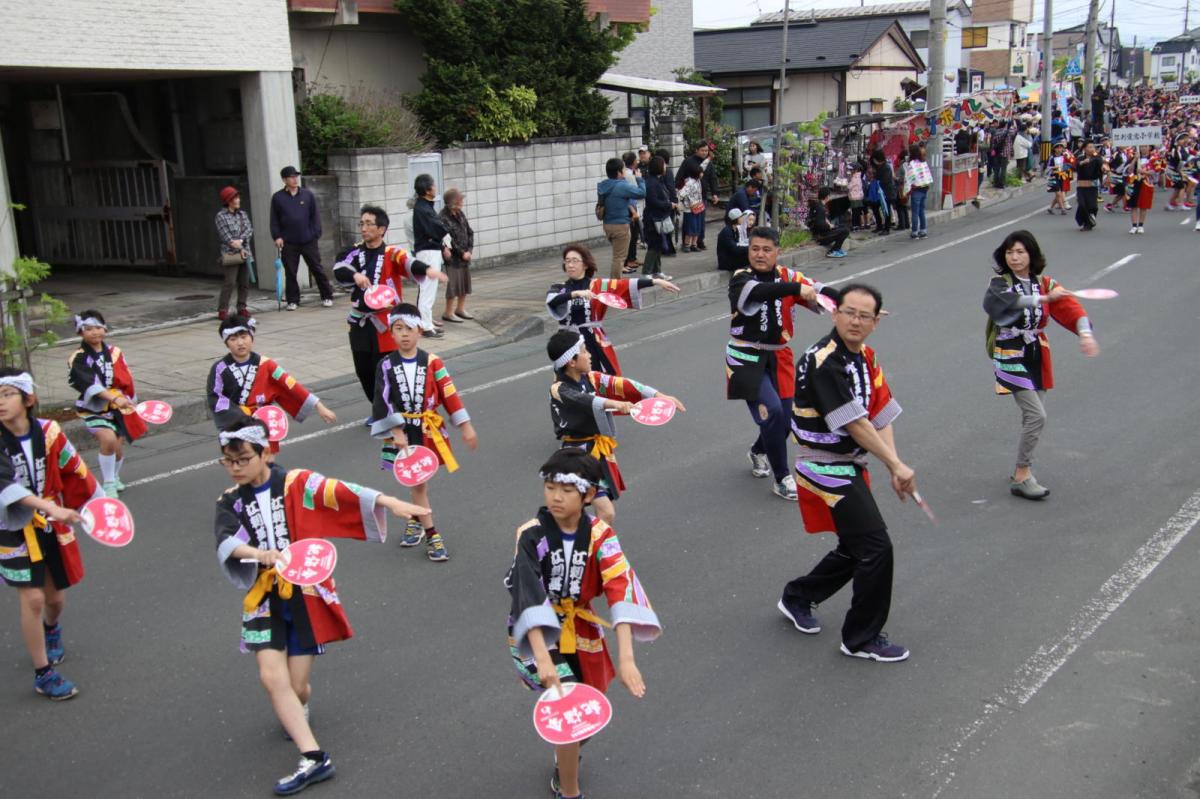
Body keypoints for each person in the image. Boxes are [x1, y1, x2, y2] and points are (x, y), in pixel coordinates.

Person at [212, 416, 428, 795]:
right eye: (227, 461)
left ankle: (297, 709)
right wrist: (261, 553)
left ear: (266, 452)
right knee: (270, 676)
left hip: (305, 592)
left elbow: (340, 492)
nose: (235, 468)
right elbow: (227, 542)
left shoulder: (295, 483)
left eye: (242, 459)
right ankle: (314, 758)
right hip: (263, 595)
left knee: (297, 686)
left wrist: (391, 501)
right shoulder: (229, 500)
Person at [505, 448, 662, 799]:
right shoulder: (531, 534)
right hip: (538, 634)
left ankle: (567, 757)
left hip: (583, 629)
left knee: (589, 709)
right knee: (570, 710)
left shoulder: (601, 535)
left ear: (588, 495)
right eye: (550, 487)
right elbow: (527, 594)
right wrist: (544, 659)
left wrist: (626, 659)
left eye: (566, 490)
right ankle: (569, 789)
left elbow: (619, 589)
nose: (556, 497)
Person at [778, 283, 917, 663]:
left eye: (864, 316)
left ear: (876, 321)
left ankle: (798, 595)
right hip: (823, 466)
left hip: (848, 462)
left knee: (858, 547)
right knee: (875, 548)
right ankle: (860, 638)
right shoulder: (823, 361)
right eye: (849, 312)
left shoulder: (866, 356)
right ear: (834, 313)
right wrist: (894, 464)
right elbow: (855, 424)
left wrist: (894, 463)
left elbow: (881, 411)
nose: (855, 321)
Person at [0, 368, 101, 700]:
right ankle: (43, 673)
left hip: (50, 525)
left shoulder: (50, 431)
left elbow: (75, 470)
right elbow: (5, 486)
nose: (0, 402)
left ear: (28, 399)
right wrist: (50, 507)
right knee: (33, 599)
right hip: (12, 528)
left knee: (55, 599)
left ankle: (51, 629)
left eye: (6, 394)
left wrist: (101, 506)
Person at [983, 231, 1099, 500]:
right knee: (1037, 416)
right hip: (1009, 352)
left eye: (1020, 252)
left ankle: (1021, 470)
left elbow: (1072, 309)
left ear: (1032, 255)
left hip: (1036, 353)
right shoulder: (1000, 283)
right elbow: (1000, 304)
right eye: (1010, 252)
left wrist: (1085, 333)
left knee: (1033, 417)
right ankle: (1023, 474)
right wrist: (1043, 300)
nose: (1014, 257)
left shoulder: (1046, 283)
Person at [726, 227, 830, 502]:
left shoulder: (788, 276)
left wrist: (854, 305)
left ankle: (759, 450)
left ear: (777, 252)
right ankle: (782, 477)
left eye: (766, 249)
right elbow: (762, 292)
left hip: (780, 356)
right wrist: (798, 288)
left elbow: (819, 292)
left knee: (786, 420)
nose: (759, 254)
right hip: (746, 357)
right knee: (771, 411)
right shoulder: (741, 279)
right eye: (754, 249)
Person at [370, 303, 478, 562]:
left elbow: (448, 393)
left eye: (410, 328)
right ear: (391, 334)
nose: (404, 334)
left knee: (419, 483)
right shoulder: (385, 365)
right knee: (417, 483)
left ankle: (421, 524)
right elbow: (382, 401)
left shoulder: (433, 362)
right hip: (403, 433)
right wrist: (396, 430)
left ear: (420, 330)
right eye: (398, 329)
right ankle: (429, 530)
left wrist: (465, 425)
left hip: (428, 429)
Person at [547, 330, 685, 524]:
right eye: (585, 351)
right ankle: (597, 550)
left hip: (596, 455)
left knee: (595, 513)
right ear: (572, 361)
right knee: (600, 512)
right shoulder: (560, 389)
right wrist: (616, 404)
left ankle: (593, 549)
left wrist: (657, 395)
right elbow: (586, 400)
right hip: (575, 458)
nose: (590, 355)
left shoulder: (592, 378)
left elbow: (622, 384)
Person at [332, 205, 446, 404]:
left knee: (387, 368)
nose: (364, 228)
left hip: (386, 322)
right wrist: (355, 274)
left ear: (382, 229)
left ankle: (391, 409)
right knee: (363, 369)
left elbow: (408, 262)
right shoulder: (355, 252)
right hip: (360, 321)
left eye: (369, 224)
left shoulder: (392, 253)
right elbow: (340, 268)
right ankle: (378, 407)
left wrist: (428, 269)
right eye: (362, 223)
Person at [205, 314, 337, 453]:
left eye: (244, 337)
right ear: (226, 343)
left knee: (266, 466)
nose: (240, 343)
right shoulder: (219, 368)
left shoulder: (266, 364)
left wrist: (319, 406)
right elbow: (215, 397)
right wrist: (240, 414)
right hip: (236, 425)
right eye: (233, 339)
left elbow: (290, 385)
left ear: (252, 338)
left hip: (263, 422)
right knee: (243, 464)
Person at [545, 243, 679, 376]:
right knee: (568, 381)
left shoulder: (598, 285)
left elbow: (624, 284)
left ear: (585, 264)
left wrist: (655, 282)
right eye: (567, 261)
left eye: (575, 261)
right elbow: (553, 301)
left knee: (598, 377)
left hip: (592, 339)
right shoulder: (559, 287)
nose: (570, 265)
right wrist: (575, 294)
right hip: (567, 341)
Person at [67, 310, 147, 497]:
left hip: (119, 406)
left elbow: (126, 377)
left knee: (116, 449)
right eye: (88, 329)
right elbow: (89, 384)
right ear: (80, 332)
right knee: (108, 439)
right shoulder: (78, 357)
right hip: (93, 408)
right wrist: (113, 398)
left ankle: (115, 476)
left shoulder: (115, 352)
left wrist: (131, 400)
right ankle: (108, 483)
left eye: (98, 327)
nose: (95, 332)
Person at [270, 165, 335, 312]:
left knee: (316, 268)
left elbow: (315, 216)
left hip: (308, 240)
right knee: (290, 272)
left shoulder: (307, 195)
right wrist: (277, 236)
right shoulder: (278, 198)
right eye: (291, 177)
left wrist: (315, 233)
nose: (295, 179)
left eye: (296, 176)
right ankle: (293, 300)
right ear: (284, 179)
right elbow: (274, 220)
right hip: (289, 241)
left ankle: (327, 295)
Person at [409, 174, 450, 338]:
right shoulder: (423, 209)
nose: (435, 187)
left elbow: (438, 229)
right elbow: (438, 229)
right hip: (427, 251)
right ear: (427, 190)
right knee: (427, 288)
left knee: (429, 289)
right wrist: (441, 231)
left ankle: (427, 322)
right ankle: (425, 326)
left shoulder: (424, 206)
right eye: (433, 185)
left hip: (430, 249)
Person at [597, 157, 646, 280]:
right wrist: (639, 178)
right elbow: (641, 193)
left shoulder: (604, 185)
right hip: (620, 226)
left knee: (617, 255)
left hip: (608, 224)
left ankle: (615, 282)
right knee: (619, 258)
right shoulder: (621, 186)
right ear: (619, 172)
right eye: (623, 169)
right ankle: (615, 285)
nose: (624, 171)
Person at [214, 185, 252, 321]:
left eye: (238, 197)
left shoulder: (243, 214)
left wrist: (240, 241)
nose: (238, 199)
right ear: (228, 200)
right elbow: (225, 236)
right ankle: (223, 309)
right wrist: (236, 243)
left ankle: (242, 307)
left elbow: (249, 230)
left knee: (244, 282)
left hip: (245, 253)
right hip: (231, 254)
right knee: (229, 282)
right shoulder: (221, 216)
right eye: (235, 197)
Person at [438, 188, 476, 323]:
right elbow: (448, 240)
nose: (462, 202)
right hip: (453, 258)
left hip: (465, 255)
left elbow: (470, 232)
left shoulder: (460, 213)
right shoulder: (443, 217)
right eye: (460, 200)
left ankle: (460, 309)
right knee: (453, 285)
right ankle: (448, 313)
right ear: (453, 202)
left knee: (464, 283)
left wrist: (469, 251)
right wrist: (462, 253)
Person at [640, 156, 675, 280]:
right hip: (653, 219)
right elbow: (653, 201)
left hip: (658, 218)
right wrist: (669, 205)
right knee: (654, 245)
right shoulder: (652, 183)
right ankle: (646, 272)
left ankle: (656, 271)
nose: (665, 167)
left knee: (658, 244)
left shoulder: (657, 180)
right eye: (663, 165)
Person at [682, 141, 720, 250]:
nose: (704, 153)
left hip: (702, 196)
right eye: (702, 150)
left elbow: (713, 178)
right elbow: (680, 176)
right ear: (696, 150)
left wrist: (715, 193)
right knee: (689, 221)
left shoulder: (709, 163)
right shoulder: (688, 161)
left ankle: (699, 241)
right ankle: (687, 243)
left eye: (706, 151)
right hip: (689, 198)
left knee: (700, 221)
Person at [806, 188, 849, 258]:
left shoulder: (818, 205)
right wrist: (830, 226)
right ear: (827, 197)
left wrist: (829, 224)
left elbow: (821, 218)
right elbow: (820, 224)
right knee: (845, 231)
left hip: (821, 233)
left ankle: (837, 249)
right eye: (830, 195)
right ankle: (833, 251)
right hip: (821, 236)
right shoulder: (820, 208)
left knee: (843, 227)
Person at [1073, 142, 1105, 231]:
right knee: (1082, 205)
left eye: (1093, 147)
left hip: (1092, 186)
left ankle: (1089, 221)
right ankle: (1086, 223)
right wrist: (1083, 162)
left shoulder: (1097, 158)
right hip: (1082, 186)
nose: (1092, 149)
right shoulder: (1080, 158)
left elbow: (1102, 166)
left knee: (1093, 206)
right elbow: (1075, 167)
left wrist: (1104, 169)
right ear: (1085, 149)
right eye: (1090, 147)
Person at [903, 144, 932, 238]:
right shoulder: (923, 162)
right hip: (924, 188)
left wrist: (906, 190)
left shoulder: (911, 164)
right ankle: (923, 230)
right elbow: (927, 175)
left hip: (916, 189)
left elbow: (909, 178)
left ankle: (915, 231)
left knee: (915, 211)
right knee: (921, 211)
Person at [621, 151, 643, 273]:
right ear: (633, 162)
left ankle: (632, 258)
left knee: (635, 234)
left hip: (632, 206)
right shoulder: (629, 175)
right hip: (631, 207)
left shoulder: (628, 173)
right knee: (633, 234)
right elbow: (637, 192)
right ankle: (629, 260)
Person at [677, 160, 705, 253]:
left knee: (697, 226)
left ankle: (694, 244)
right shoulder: (689, 182)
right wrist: (687, 202)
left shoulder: (698, 181)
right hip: (690, 208)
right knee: (690, 227)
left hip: (698, 206)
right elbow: (681, 193)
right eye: (701, 172)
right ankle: (687, 244)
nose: (702, 174)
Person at [868, 149, 894, 234]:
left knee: (886, 210)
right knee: (875, 207)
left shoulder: (886, 167)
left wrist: (876, 179)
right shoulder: (879, 167)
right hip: (879, 193)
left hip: (885, 192)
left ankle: (886, 228)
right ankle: (879, 226)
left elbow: (885, 180)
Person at [1045, 142, 1074, 215]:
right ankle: (1063, 209)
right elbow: (1048, 167)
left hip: (1062, 176)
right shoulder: (1051, 157)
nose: (1059, 149)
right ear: (1054, 149)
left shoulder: (1064, 156)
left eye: (1061, 148)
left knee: (1058, 193)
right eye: (1057, 148)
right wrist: (1055, 167)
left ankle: (1050, 208)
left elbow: (1071, 162)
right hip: (1053, 176)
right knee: (1058, 193)